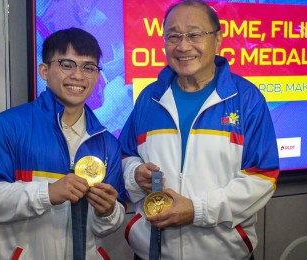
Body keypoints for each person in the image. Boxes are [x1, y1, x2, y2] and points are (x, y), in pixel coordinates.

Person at [119, 1, 280, 259]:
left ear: (217, 40)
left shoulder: (246, 99)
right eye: (173, 36)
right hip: (153, 252)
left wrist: (198, 210)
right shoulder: (150, 98)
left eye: (194, 35)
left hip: (224, 253)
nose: (183, 46)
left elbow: (262, 177)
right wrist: (135, 174)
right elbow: (125, 155)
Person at [0, 27, 126, 260]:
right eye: (67, 64)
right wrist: (47, 193)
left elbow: (105, 226)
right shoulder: (9, 126)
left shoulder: (107, 143)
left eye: (88, 67)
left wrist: (108, 212)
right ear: (44, 70)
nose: (78, 75)